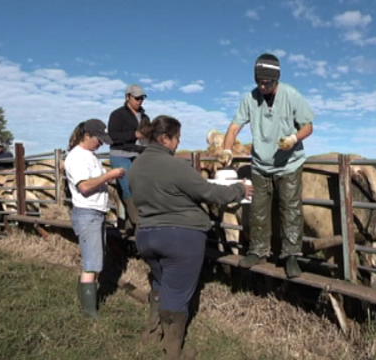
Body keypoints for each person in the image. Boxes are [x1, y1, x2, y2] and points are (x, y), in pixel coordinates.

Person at [128, 115, 253, 359]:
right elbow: (208, 191)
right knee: (177, 294)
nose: (178, 143)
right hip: (179, 239)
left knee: (160, 284)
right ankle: (174, 350)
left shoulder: (137, 166)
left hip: (146, 236)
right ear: (165, 138)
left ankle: (151, 336)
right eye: (176, 139)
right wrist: (239, 189)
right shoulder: (175, 166)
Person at [219, 53, 314, 279]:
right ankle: (258, 251)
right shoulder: (250, 99)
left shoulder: (292, 96)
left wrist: (293, 138)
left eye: (267, 82)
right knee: (258, 210)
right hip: (261, 165)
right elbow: (234, 127)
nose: (262, 86)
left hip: (289, 165)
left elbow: (308, 126)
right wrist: (227, 149)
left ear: (276, 79)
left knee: (290, 211)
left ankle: (291, 256)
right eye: (259, 81)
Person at [64, 118, 126, 318]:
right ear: (87, 136)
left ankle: (85, 302)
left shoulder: (89, 155)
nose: (101, 143)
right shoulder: (77, 158)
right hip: (88, 213)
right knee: (92, 263)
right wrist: (109, 176)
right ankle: (90, 312)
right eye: (99, 139)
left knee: (94, 260)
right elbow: (84, 186)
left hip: (95, 213)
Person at [108, 84, 151, 234]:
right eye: (137, 98)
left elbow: (147, 139)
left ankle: (129, 225)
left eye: (142, 98)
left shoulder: (145, 117)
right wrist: (135, 134)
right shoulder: (117, 115)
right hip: (120, 154)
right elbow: (112, 137)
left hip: (139, 154)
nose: (140, 101)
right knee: (127, 187)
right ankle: (140, 225)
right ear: (128, 97)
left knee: (141, 187)